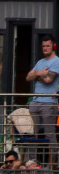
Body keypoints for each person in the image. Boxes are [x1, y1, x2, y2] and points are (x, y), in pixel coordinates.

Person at [27, 34, 59, 165]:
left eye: (48, 46)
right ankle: (31, 163)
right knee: (33, 134)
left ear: (54, 46)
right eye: (43, 46)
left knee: (49, 134)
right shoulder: (40, 62)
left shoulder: (56, 61)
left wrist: (36, 74)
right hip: (35, 102)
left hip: (48, 103)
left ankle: (55, 164)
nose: (45, 48)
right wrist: (39, 73)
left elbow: (48, 80)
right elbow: (27, 77)